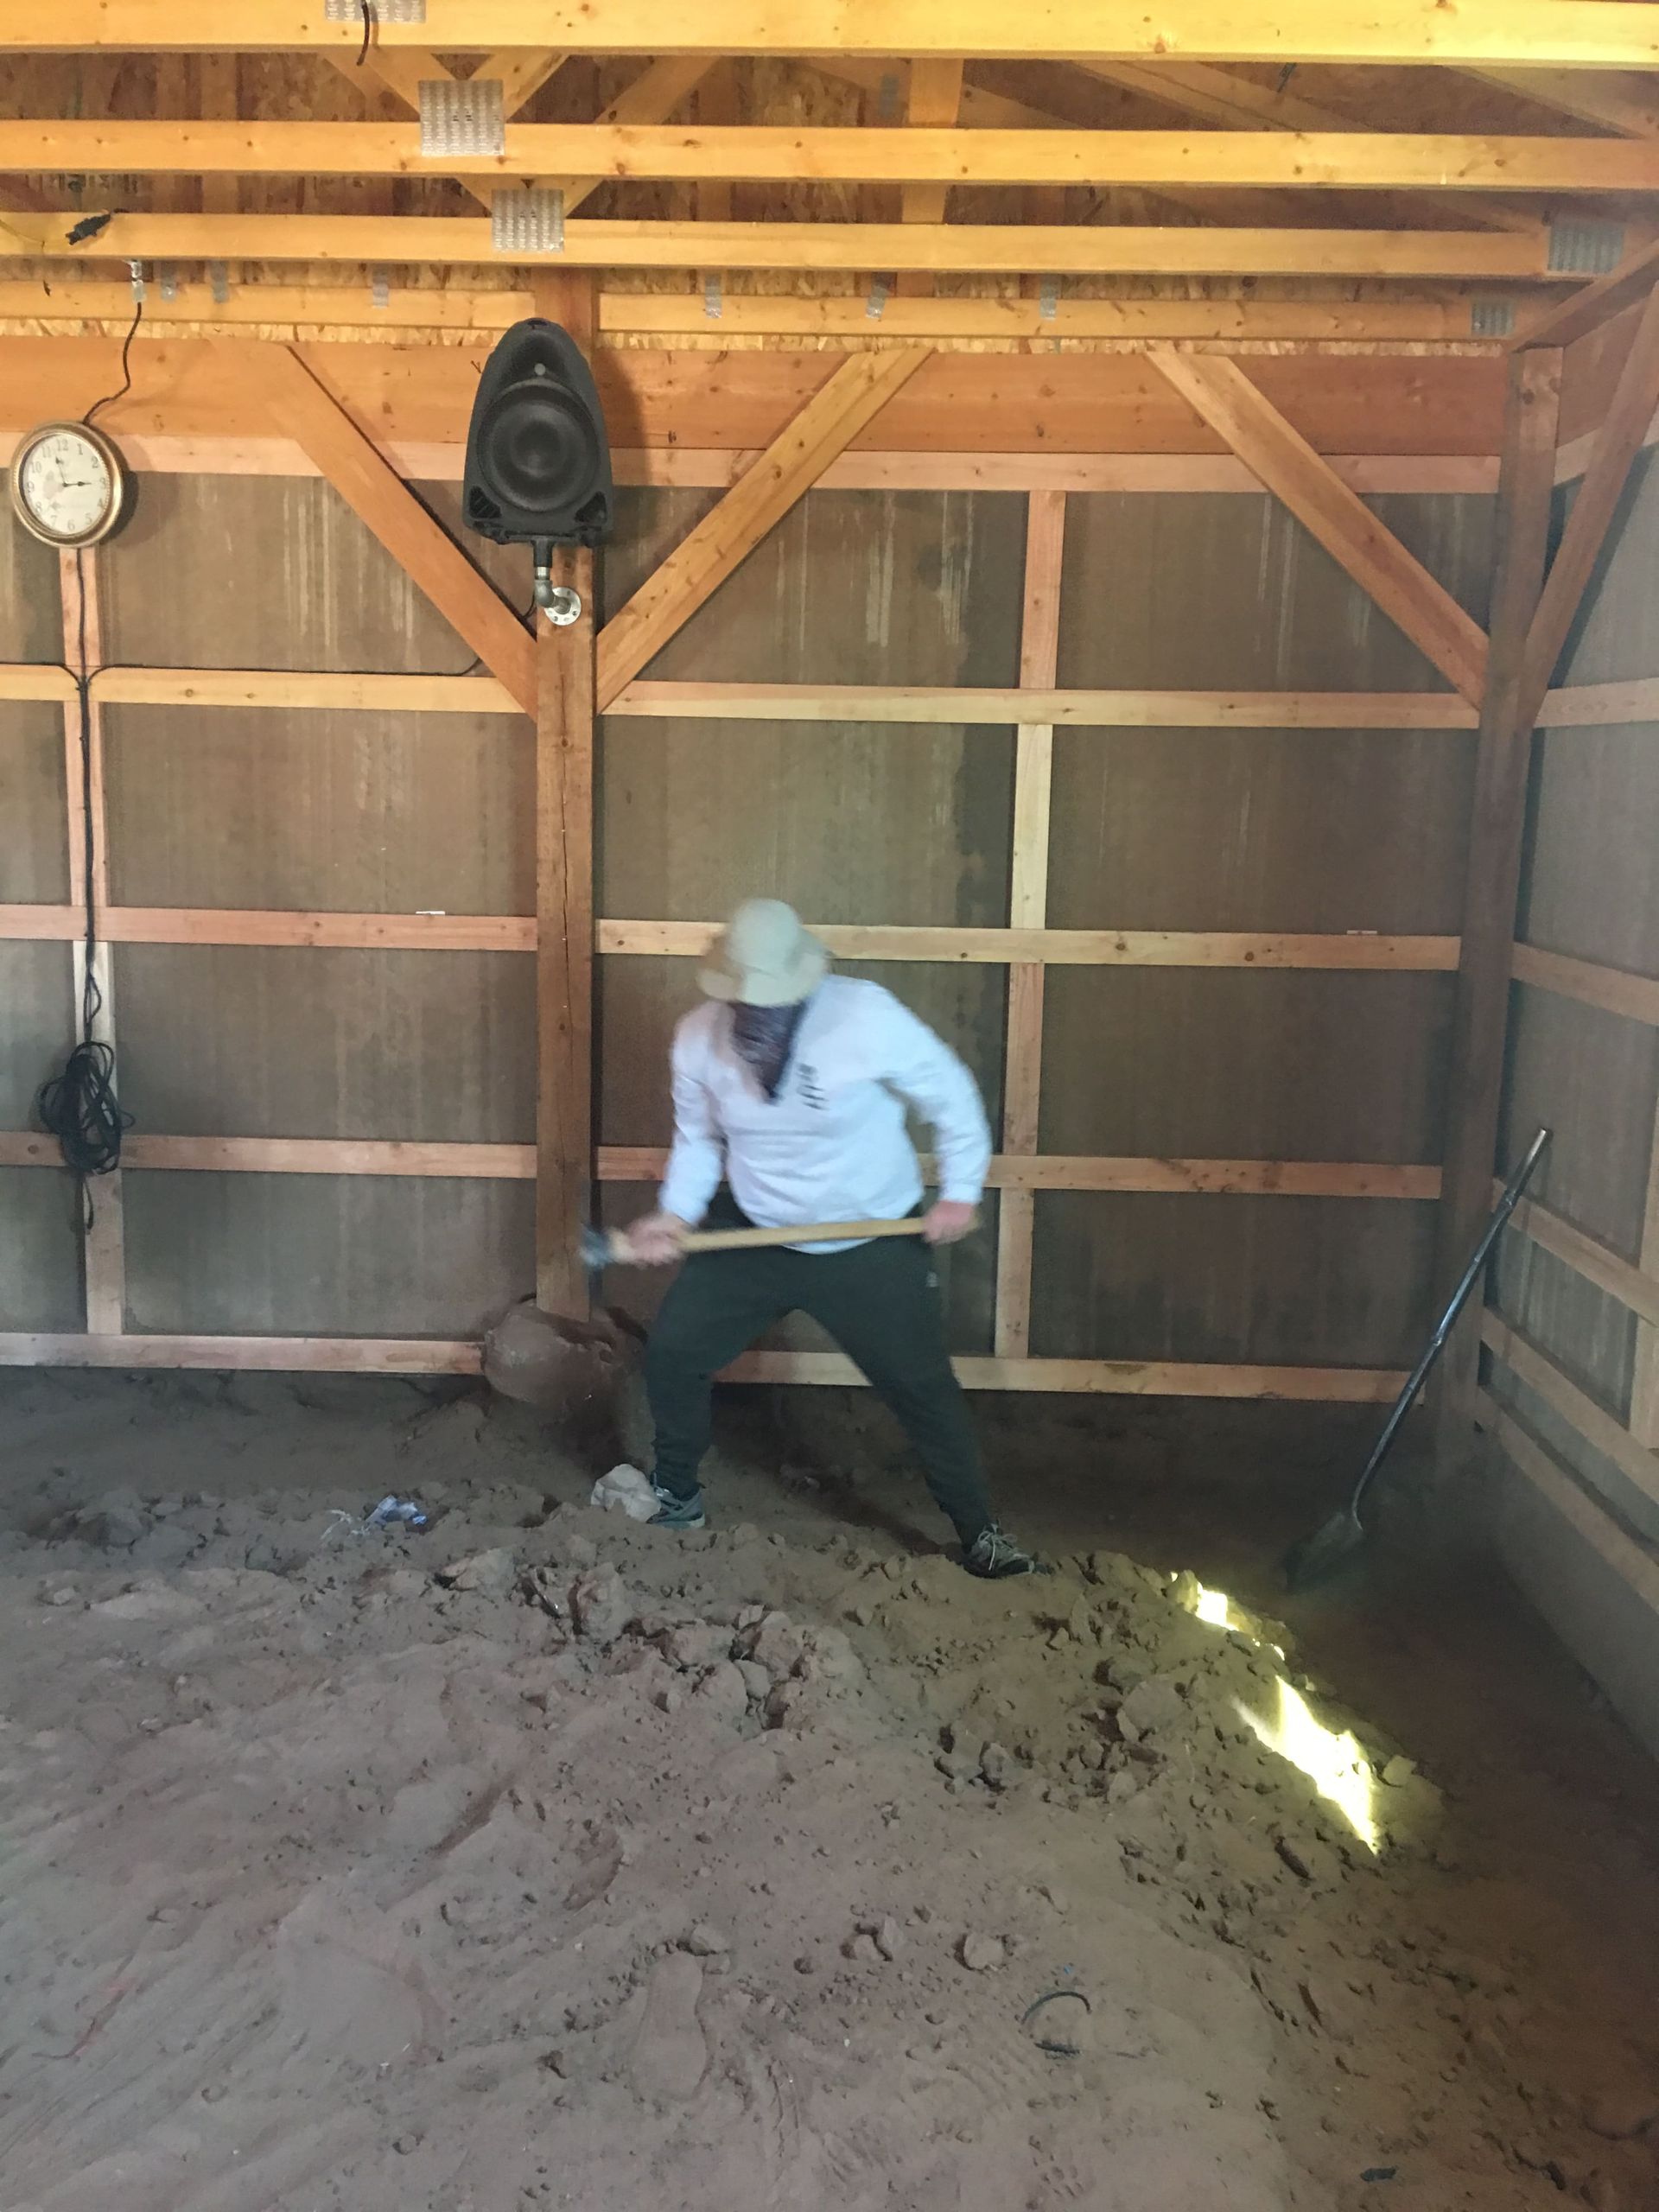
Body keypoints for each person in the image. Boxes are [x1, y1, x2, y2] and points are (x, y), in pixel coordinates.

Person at [620, 898, 1041, 1578]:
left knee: (922, 1387)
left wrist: (961, 1190)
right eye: (745, 1001)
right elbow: (698, 1137)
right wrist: (674, 1215)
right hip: (755, 1229)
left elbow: (950, 1096)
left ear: (801, 984)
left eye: (771, 1002)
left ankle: (980, 1534)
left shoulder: (864, 1016)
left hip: (871, 1234)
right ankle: (676, 1494)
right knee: (673, 1354)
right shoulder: (697, 1038)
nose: (757, 1015)